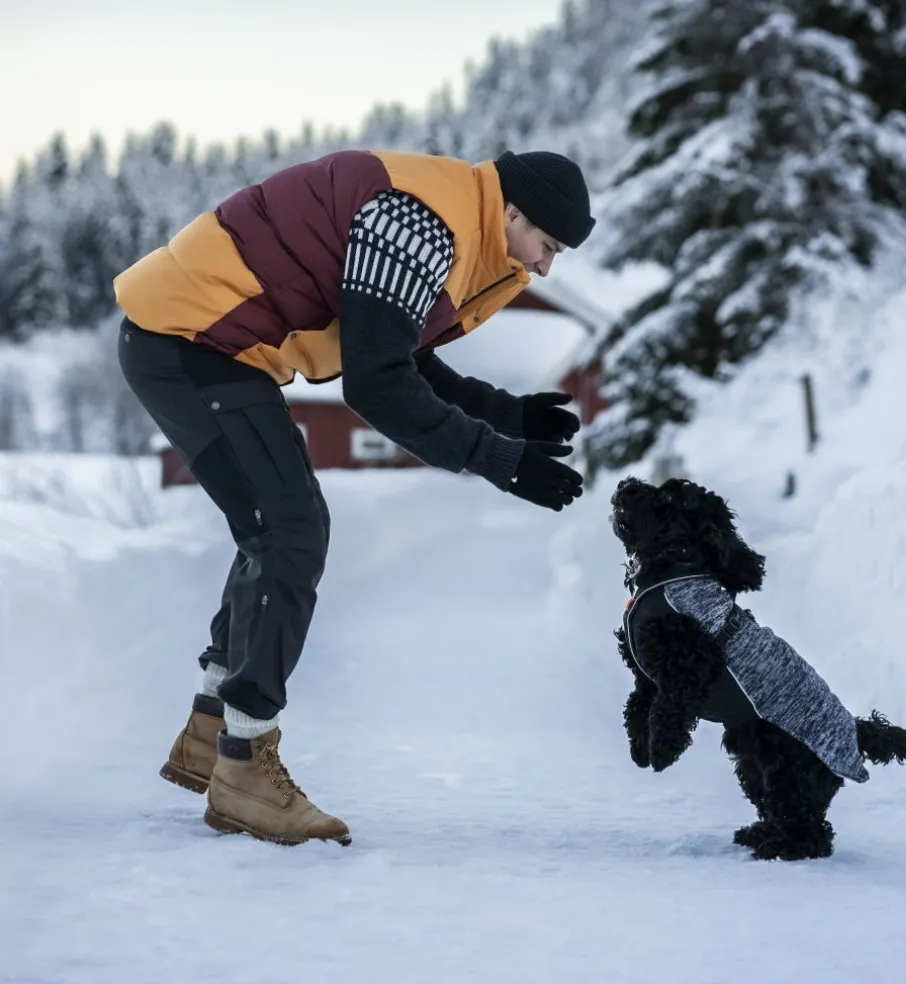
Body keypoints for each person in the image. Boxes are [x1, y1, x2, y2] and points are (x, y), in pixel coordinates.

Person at [114, 147, 596, 847]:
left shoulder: (452, 215)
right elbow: (376, 384)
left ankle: (211, 732)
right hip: (191, 340)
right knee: (290, 529)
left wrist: (509, 416)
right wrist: (499, 460)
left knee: (271, 527)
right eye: (546, 245)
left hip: (197, 342)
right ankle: (244, 766)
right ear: (514, 211)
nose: (546, 267)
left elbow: (401, 353)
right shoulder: (423, 221)